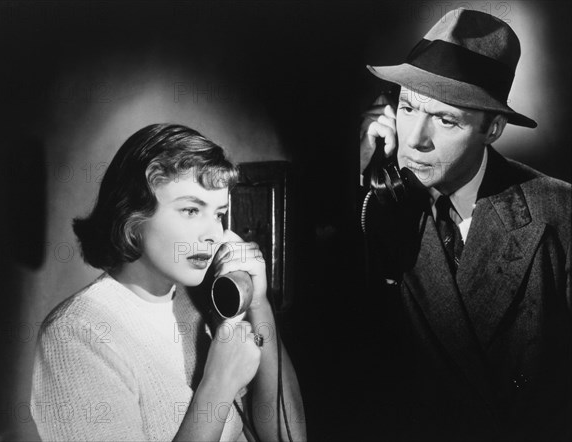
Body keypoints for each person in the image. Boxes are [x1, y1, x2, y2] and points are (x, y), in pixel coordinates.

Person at [358, 8, 571, 442]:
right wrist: (364, 179)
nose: (415, 138)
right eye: (408, 107)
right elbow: (355, 365)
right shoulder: (380, 204)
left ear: (492, 128)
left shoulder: (559, 212)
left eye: (445, 119)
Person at [30, 124, 306, 441]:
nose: (213, 234)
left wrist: (259, 304)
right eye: (190, 210)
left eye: (219, 213)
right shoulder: (76, 334)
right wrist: (218, 385)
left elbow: (289, 438)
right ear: (132, 220)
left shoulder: (204, 304)